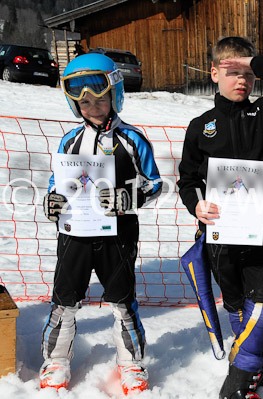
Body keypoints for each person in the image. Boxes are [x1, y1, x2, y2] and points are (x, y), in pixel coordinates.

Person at [177, 36, 263, 399]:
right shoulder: (200, 126)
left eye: (248, 74)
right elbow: (187, 179)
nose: (242, 81)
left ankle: (239, 378)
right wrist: (196, 205)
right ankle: (254, 369)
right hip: (220, 235)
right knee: (237, 306)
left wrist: (260, 63)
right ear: (214, 73)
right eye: (233, 72)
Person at [40, 53, 162, 394]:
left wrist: (129, 199)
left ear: (115, 96)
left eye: (101, 99)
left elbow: (154, 183)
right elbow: (57, 182)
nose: (93, 107)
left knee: (122, 300)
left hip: (118, 236)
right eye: (85, 102)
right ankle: (56, 360)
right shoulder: (70, 141)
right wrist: (53, 202)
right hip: (75, 235)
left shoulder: (133, 139)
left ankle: (131, 364)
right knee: (64, 299)